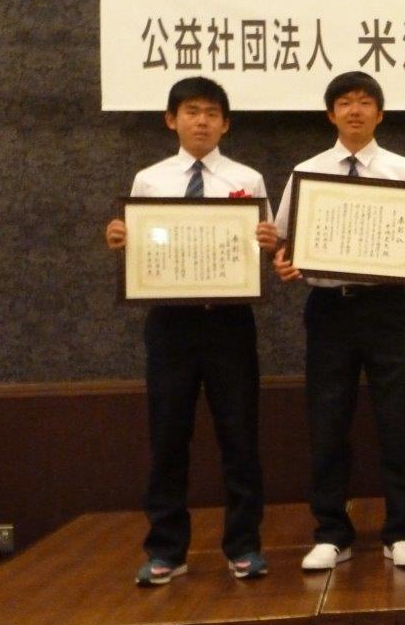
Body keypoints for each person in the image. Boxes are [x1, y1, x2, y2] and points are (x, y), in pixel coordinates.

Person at [104, 76, 277, 585]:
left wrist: (269, 240)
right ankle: (165, 550)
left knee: (240, 436)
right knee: (168, 436)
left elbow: (265, 247)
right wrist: (121, 237)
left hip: (229, 322)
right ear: (171, 119)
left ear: (226, 124)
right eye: (191, 111)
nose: (201, 121)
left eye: (211, 113)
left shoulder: (248, 179)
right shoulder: (149, 180)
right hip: (170, 323)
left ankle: (244, 546)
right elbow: (140, 246)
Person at [272, 72, 405, 572]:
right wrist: (284, 262)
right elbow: (285, 240)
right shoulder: (308, 171)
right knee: (328, 421)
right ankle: (331, 532)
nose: (355, 110)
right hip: (331, 309)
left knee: (398, 420)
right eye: (345, 102)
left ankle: (401, 530)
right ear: (331, 114)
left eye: (365, 102)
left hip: (391, 309)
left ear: (380, 114)